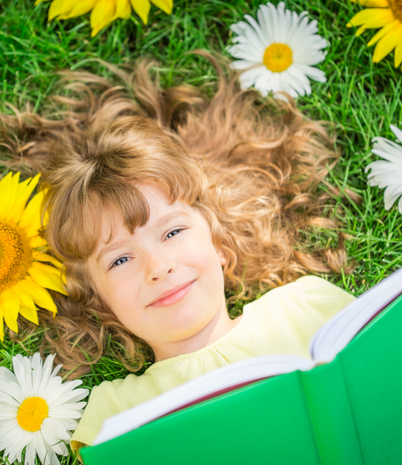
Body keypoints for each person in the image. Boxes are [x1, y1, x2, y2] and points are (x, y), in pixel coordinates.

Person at [1, 51, 357, 453]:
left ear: (219, 243)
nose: (159, 267)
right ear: (101, 300)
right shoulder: (114, 413)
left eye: (171, 232)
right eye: (119, 259)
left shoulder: (305, 306)